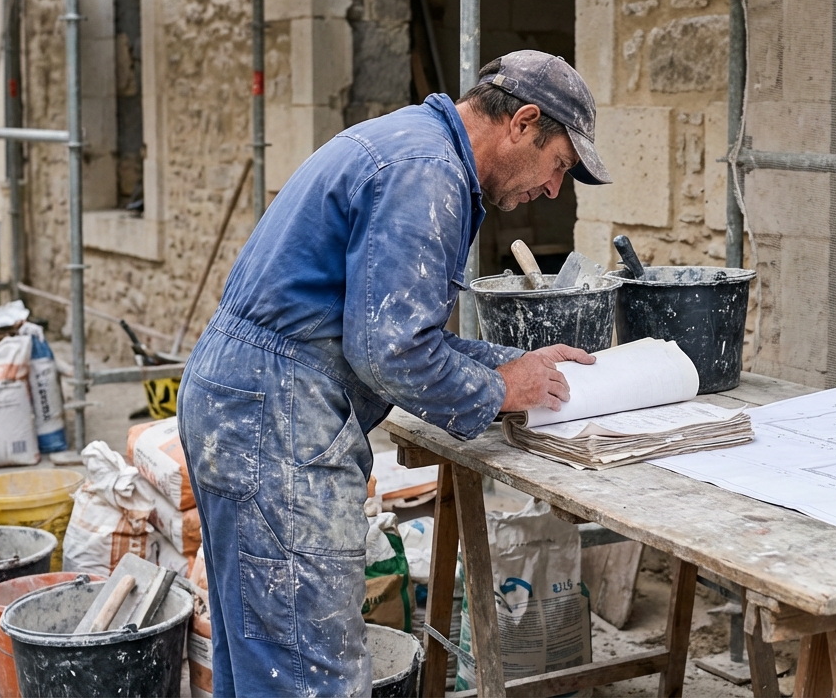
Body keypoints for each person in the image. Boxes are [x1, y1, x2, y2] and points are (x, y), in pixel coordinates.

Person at [177, 50, 611, 697]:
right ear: (522, 123)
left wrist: (513, 366)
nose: (552, 190)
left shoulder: (415, 147)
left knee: (262, 662)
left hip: (247, 403)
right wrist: (500, 389)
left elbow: (397, 336)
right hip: (274, 420)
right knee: (308, 674)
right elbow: (390, 353)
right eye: (559, 168)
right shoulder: (426, 171)